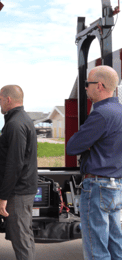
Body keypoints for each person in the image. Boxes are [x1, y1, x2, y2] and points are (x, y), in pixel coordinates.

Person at [66, 65, 122, 260]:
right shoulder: (119, 111)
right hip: (116, 185)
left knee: (96, 249)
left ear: (99, 86)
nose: (85, 89)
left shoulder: (101, 114)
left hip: (98, 187)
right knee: (116, 245)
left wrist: (89, 144)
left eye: (87, 84)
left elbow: (72, 147)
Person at [0, 85, 37, 260]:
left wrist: (3, 197)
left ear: (8, 99)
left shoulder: (15, 124)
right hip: (23, 188)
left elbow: (15, 164)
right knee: (25, 236)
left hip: (18, 191)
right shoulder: (22, 119)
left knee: (21, 238)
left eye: (0, 99)